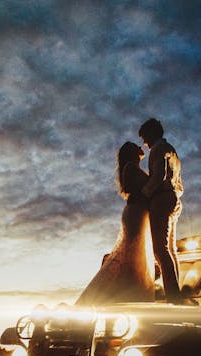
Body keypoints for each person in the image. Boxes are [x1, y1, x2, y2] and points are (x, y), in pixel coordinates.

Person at [75, 142, 156, 305]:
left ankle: (131, 289)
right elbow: (136, 187)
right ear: (131, 152)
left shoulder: (132, 167)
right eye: (136, 146)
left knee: (136, 253)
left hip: (138, 212)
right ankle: (127, 290)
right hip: (136, 212)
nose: (141, 147)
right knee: (132, 250)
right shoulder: (130, 168)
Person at [138, 118, 185, 302]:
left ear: (152, 133)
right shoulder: (172, 150)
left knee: (160, 248)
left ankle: (173, 294)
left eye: (145, 138)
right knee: (171, 249)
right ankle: (176, 290)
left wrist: (144, 193)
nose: (145, 143)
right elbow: (178, 182)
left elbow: (159, 175)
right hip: (174, 198)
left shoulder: (158, 149)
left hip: (161, 199)